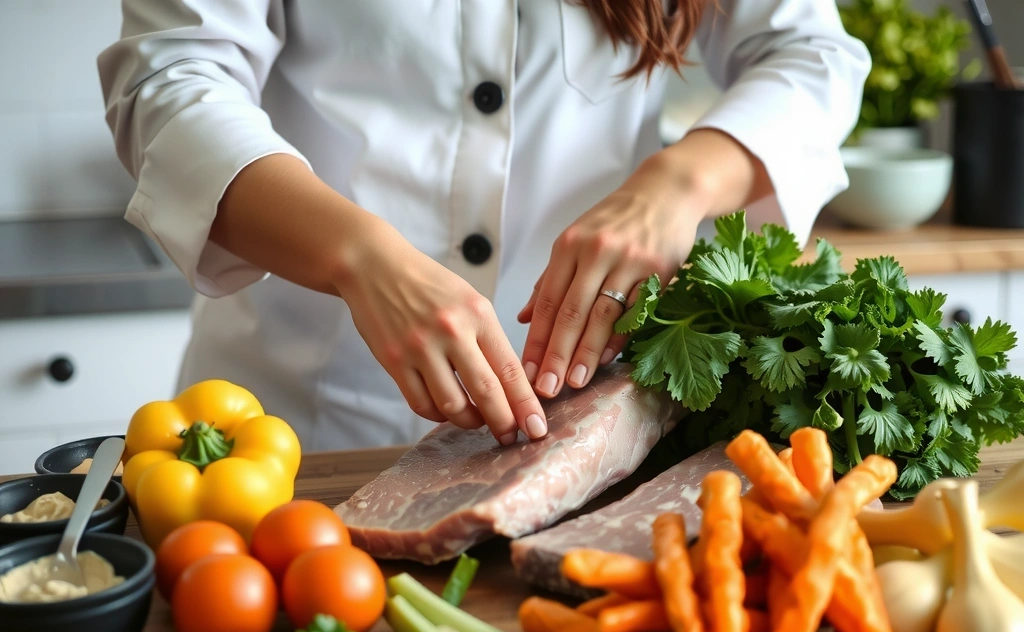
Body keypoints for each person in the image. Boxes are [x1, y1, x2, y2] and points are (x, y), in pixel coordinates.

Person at [98, 0, 869, 452]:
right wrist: (357, 257)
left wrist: (679, 182)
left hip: (581, 427)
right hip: (293, 426)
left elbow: (812, 53)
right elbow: (167, 79)